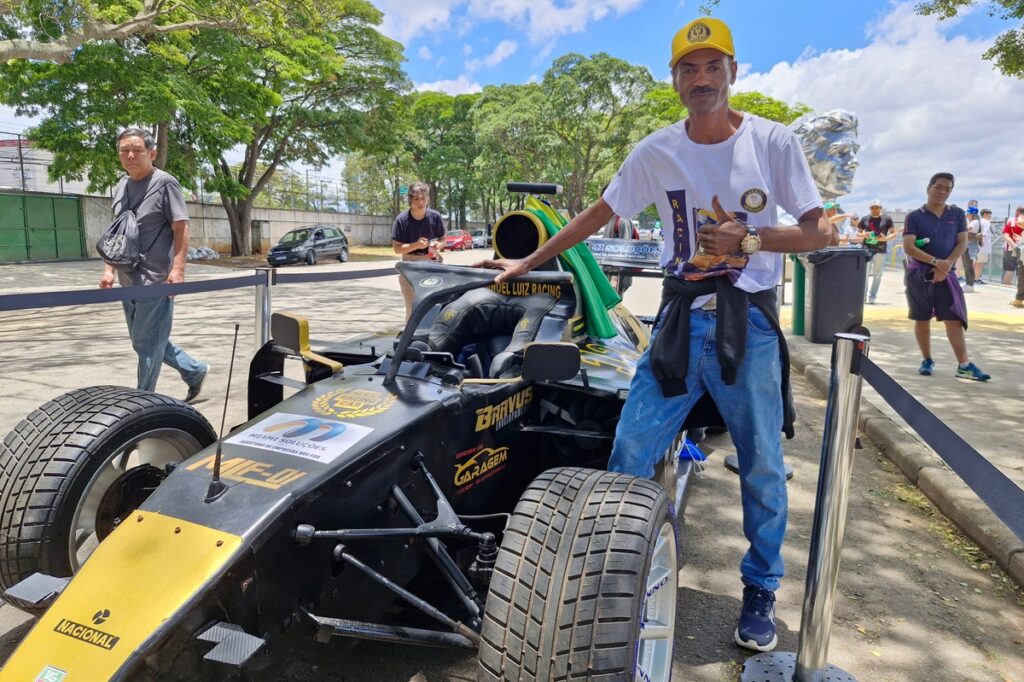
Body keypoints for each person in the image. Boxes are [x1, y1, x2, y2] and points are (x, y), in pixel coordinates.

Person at [477, 16, 832, 653]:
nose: (702, 79)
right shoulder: (656, 150)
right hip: (675, 320)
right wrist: (529, 261)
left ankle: (760, 586)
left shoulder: (774, 144)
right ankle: (609, 580)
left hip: (745, 323)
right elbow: (600, 212)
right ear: (675, 80)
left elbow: (819, 232)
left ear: (732, 70)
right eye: (688, 69)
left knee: (762, 468)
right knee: (628, 458)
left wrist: (750, 239)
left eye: (712, 66)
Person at [99, 127, 210, 401]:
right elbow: (116, 233)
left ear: (152, 152)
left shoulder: (165, 183)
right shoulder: (122, 186)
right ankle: (194, 370)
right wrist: (108, 269)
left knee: (147, 345)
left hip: (156, 279)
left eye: (137, 150)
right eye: (124, 150)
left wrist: (178, 269)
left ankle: (141, 404)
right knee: (145, 340)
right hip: (128, 279)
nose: (130, 155)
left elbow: (181, 227)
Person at [902, 173, 990, 381]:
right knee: (922, 318)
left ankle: (964, 364)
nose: (942, 192)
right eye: (938, 187)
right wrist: (935, 262)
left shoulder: (957, 214)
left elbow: (962, 242)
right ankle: (927, 359)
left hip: (947, 275)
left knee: (954, 320)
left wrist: (946, 265)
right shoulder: (914, 216)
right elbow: (909, 246)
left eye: (947, 189)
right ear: (929, 187)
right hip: (920, 275)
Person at [391, 181, 446, 318]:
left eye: (423, 198)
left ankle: (434, 336)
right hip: (410, 265)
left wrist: (438, 245)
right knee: (412, 308)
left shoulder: (435, 217)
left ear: (427, 199)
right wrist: (416, 245)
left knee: (434, 306)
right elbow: (397, 249)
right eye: (416, 199)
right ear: (410, 200)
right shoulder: (401, 220)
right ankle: (412, 337)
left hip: (432, 262)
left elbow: (443, 240)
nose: (420, 202)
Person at [857, 199, 898, 304]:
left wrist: (886, 239)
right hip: (866, 249)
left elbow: (893, 233)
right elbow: (858, 233)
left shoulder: (887, 219)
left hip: (880, 250)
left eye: (877, 207)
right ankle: (863, 297)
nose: (874, 209)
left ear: (880, 208)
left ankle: (872, 297)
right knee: (864, 274)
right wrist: (864, 235)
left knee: (878, 275)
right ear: (870, 208)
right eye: (872, 207)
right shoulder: (864, 219)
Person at [1001, 206, 1023, 286]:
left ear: (1017, 211)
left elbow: (1005, 234)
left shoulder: (1012, 220)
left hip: (1011, 248)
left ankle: (1006, 288)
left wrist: (1014, 244)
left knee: (1009, 270)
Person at [970, 208, 993, 284]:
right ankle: (976, 279)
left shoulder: (977, 221)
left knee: (974, 262)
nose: (990, 216)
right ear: (985, 214)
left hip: (975, 245)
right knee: (980, 263)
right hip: (983, 245)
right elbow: (985, 234)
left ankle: (971, 278)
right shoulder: (987, 222)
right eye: (989, 214)